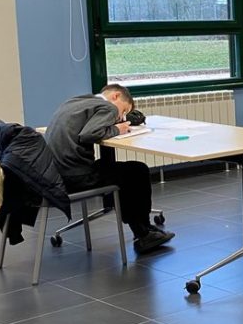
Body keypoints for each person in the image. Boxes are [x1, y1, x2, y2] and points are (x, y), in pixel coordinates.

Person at [45, 84, 174, 253]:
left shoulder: (76, 101)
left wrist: (113, 124)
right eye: (124, 110)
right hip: (76, 176)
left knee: (114, 171)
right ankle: (143, 233)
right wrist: (117, 129)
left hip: (55, 175)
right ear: (116, 96)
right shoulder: (108, 107)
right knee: (137, 171)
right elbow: (89, 134)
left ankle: (141, 227)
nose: (121, 116)